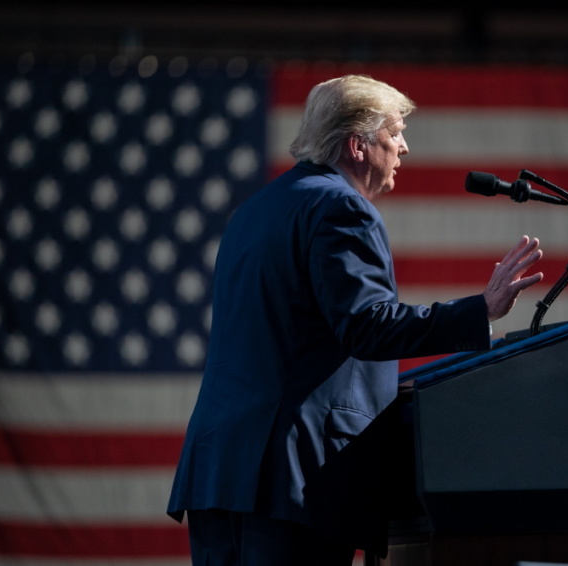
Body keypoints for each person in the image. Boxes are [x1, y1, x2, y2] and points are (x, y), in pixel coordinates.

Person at [167, 74, 543, 566]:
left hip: (220, 473)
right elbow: (367, 325)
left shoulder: (254, 211)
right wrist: (480, 311)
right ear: (357, 145)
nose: (404, 148)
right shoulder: (341, 207)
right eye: (395, 132)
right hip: (293, 478)